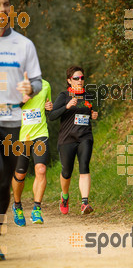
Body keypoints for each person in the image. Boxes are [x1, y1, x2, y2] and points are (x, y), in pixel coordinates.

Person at [0, 0, 42, 260]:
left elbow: (36, 81)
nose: (1, 9)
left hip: (12, 122)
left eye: (5, 3)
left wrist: (31, 88)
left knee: (4, 182)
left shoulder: (23, 45)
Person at [49, 66, 98, 215]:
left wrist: (93, 114)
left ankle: (84, 203)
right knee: (67, 172)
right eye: (76, 78)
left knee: (84, 166)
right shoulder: (64, 95)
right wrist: (66, 107)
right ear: (69, 80)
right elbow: (51, 116)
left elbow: (89, 112)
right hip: (67, 139)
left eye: (82, 78)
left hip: (85, 136)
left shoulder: (88, 96)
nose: (80, 81)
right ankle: (65, 196)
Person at [12, 80, 53, 226]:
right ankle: (17, 206)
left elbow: (48, 105)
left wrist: (49, 107)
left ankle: (37, 209)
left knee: (41, 169)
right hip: (20, 136)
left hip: (40, 133)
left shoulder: (45, 85)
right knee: (20, 174)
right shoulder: (15, 84)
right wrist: (21, 101)